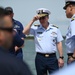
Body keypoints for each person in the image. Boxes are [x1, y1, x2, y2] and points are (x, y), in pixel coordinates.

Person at [23, 8, 64, 75]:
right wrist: (32, 20)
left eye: (43, 18)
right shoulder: (36, 28)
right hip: (40, 58)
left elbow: (59, 43)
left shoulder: (55, 29)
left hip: (52, 58)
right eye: (40, 18)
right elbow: (24, 32)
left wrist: (61, 57)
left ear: (48, 17)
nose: (41, 20)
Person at [0, 7, 32, 75]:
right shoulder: (18, 67)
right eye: (9, 30)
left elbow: (21, 41)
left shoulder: (18, 24)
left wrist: (15, 48)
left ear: (13, 14)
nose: (13, 33)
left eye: (10, 13)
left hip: (17, 54)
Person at [63, 0, 75, 64]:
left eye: (66, 9)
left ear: (70, 7)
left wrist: (73, 57)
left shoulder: (74, 20)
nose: (65, 12)